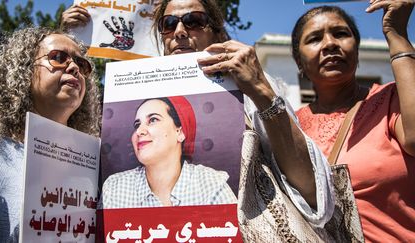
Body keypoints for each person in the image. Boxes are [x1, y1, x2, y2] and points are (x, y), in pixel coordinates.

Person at [61, 0, 334, 227]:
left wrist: (260, 91)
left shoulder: (249, 84)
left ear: (215, 32)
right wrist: (69, 43)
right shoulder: (118, 185)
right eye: (168, 25)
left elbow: (311, 191)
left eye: (193, 21)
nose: (180, 31)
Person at [292, 2, 415, 242]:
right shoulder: (288, 126)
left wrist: (396, 32)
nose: (330, 44)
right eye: (315, 38)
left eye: (340, 34)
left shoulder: (392, 99)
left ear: (356, 51)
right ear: (299, 62)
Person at [0, 27, 101, 242]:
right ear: (23, 70)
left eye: (81, 64)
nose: (74, 67)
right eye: (58, 57)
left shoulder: (99, 161)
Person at [101, 96, 237, 208]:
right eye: (137, 125)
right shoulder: (115, 188)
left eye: (153, 120)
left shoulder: (211, 185)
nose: (139, 131)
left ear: (180, 132)